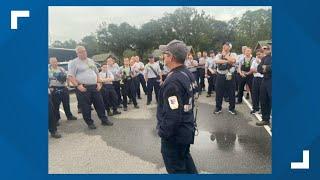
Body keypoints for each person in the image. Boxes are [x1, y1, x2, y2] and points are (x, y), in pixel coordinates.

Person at [158, 39, 198, 174]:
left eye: (165, 54)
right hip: (186, 128)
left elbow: (173, 115)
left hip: (175, 135)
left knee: (176, 169)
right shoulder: (187, 73)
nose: (163, 57)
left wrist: (163, 132)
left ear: (171, 57)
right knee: (186, 161)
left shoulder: (173, 80)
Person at [68, 46, 113, 129]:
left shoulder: (91, 61)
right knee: (86, 107)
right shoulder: (74, 62)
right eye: (81, 52)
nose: (83, 53)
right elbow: (70, 76)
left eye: (84, 51)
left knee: (100, 104)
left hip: (95, 86)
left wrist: (99, 83)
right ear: (77, 53)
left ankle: (104, 120)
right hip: (83, 88)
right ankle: (89, 123)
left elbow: (96, 73)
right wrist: (78, 85)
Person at [48, 57, 77, 124]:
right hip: (54, 89)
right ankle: (56, 119)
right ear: (50, 62)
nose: (55, 63)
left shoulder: (61, 69)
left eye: (56, 61)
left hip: (64, 88)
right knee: (56, 105)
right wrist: (49, 88)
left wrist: (68, 85)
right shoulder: (48, 70)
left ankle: (69, 116)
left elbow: (67, 77)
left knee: (66, 103)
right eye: (53, 62)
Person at [214, 42, 237, 115]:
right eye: (224, 46)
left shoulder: (233, 54)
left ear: (230, 48)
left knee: (231, 92)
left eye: (227, 46)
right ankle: (218, 108)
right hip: (220, 75)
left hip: (230, 75)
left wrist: (226, 56)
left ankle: (232, 108)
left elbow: (233, 61)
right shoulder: (218, 55)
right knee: (219, 92)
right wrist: (227, 61)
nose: (225, 47)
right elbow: (216, 61)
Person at [256, 46, 272, 126]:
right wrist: (265, 68)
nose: (266, 50)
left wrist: (266, 68)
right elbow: (259, 68)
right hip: (265, 80)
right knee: (263, 100)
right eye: (265, 49)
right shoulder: (264, 58)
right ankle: (265, 119)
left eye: (268, 48)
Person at [250, 49, 264, 114]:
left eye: (259, 54)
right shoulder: (254, 60)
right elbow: (252, 69)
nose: (258, 55)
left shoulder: (264, 60)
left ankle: (262, 109)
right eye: (257, 54)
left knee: (262, 95)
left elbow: (264, 70)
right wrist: (259, 70)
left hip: (262, 79)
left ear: (262, 54)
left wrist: (259, 66)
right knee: (255, 94)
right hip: (255, 78)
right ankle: (255, 108)